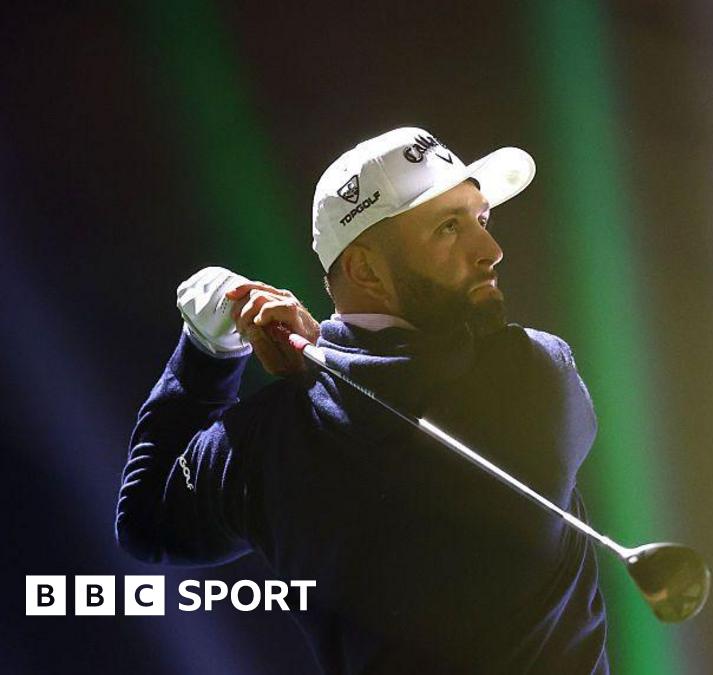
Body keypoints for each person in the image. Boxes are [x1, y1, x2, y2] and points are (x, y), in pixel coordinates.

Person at [115, 127, 610, 674]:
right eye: (450, 227)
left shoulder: (264, 439)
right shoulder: (535, 373)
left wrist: (207, 351)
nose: (490, 251)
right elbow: (394, 394)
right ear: (365, 269)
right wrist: (320, 357)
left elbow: (146, 522)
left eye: (481, 218)